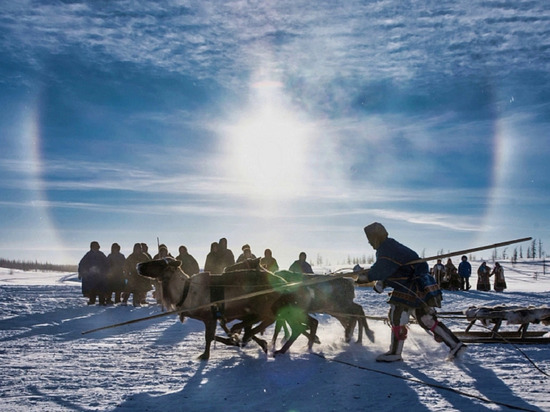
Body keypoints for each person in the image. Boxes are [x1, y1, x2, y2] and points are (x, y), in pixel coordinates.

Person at [356, 223, 465, 362]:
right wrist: (382, 281)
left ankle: (395, 353)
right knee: (425, 318)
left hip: (410, 286)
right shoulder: (392, 246)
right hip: (418, 284)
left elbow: (381, 270)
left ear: (376, 237)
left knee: (397, 316)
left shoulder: (387, 249)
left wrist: (363, 277)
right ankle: (456, 345)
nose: (370, 243)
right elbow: (393, 270)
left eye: (370, 239)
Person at [78, 241, 109, 305]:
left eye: (96, 246)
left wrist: (107, 272)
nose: (95, 248)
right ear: (91, 247)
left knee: (101, 289)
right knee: (92, 289)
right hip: (91, 275)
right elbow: (82, 264)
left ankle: (102, 301)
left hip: (100, 275)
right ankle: (92, 300)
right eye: (93, 246)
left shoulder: (101, 254)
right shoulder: (88, 255)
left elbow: (106, 263)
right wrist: (80, 272)